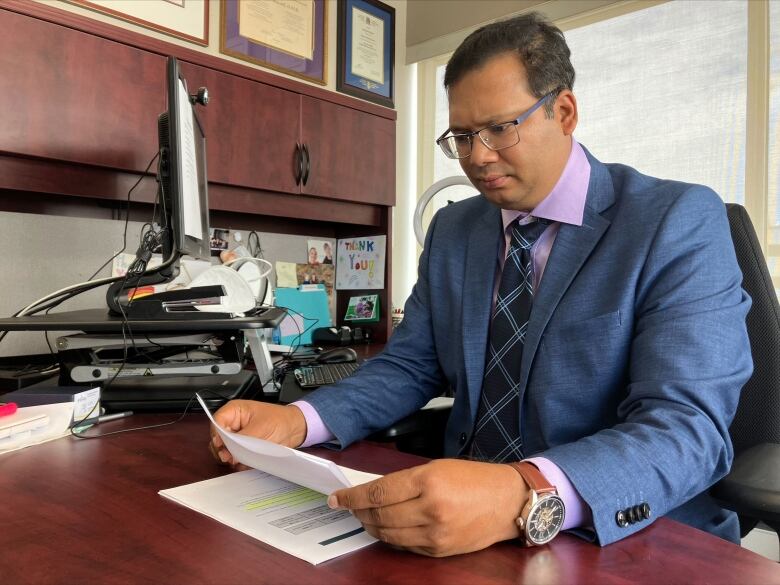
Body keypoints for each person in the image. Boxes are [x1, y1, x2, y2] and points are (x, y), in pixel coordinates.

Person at [210, 13, 752, 557]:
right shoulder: (454, 229)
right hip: (457, 528)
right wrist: (298, 421)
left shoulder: (675, 220)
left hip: (617, 534)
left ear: (564, 112)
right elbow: (411, 366)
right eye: (463, 137)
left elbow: (687, 429)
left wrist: (525, 490)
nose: (478, 157)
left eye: (499, 128)